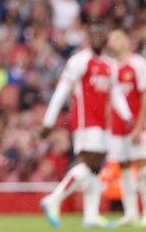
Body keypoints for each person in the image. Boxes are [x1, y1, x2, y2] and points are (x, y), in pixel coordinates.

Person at [40, 23, 133, 228]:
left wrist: (127, 115)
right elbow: (62, 90)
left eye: (101, 34)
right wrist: (48, 120)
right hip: (84, 121)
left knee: (95, 169)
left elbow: (115, 93)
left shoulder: (109, 65)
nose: (97, 38)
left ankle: (91, 216)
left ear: (107, 38)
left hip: (102, 123)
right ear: (88, 37)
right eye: (93, 34)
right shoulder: (80, 60)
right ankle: (53, 199)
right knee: (92, 164)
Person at [103, 29, 146, 226]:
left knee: (143, 169)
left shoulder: (138, 64)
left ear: (127, 40)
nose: (114, 42)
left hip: (137, 126)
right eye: (112, 38)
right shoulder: (110, 67)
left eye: (117, 37)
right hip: (117, 128)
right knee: (124, 169)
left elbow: (144, 95)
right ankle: (131, 212)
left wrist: (139, 126)